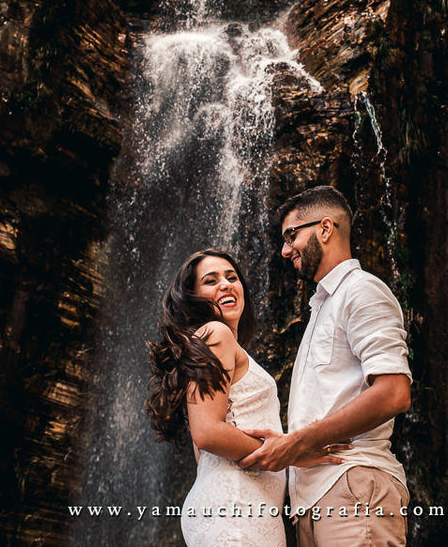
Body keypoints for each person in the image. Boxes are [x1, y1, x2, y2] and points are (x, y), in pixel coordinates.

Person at [239, 186, 412, 546]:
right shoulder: (322, 307)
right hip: (312, 503)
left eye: (291, 235)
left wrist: (296, 444)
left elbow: (394, 393)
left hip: (354, 488)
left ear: (325, 228)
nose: (285, 250)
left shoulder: (362, 290)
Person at [145, 248, 340, 546]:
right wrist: (291, 452)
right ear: (193, 298)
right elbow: (208, 434)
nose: (225, 284)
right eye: (210, 281)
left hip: (241, 504)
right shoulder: (216, 334)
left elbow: (205, 455)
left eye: (232, 277)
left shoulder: (215, 347)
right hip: (236, 505)